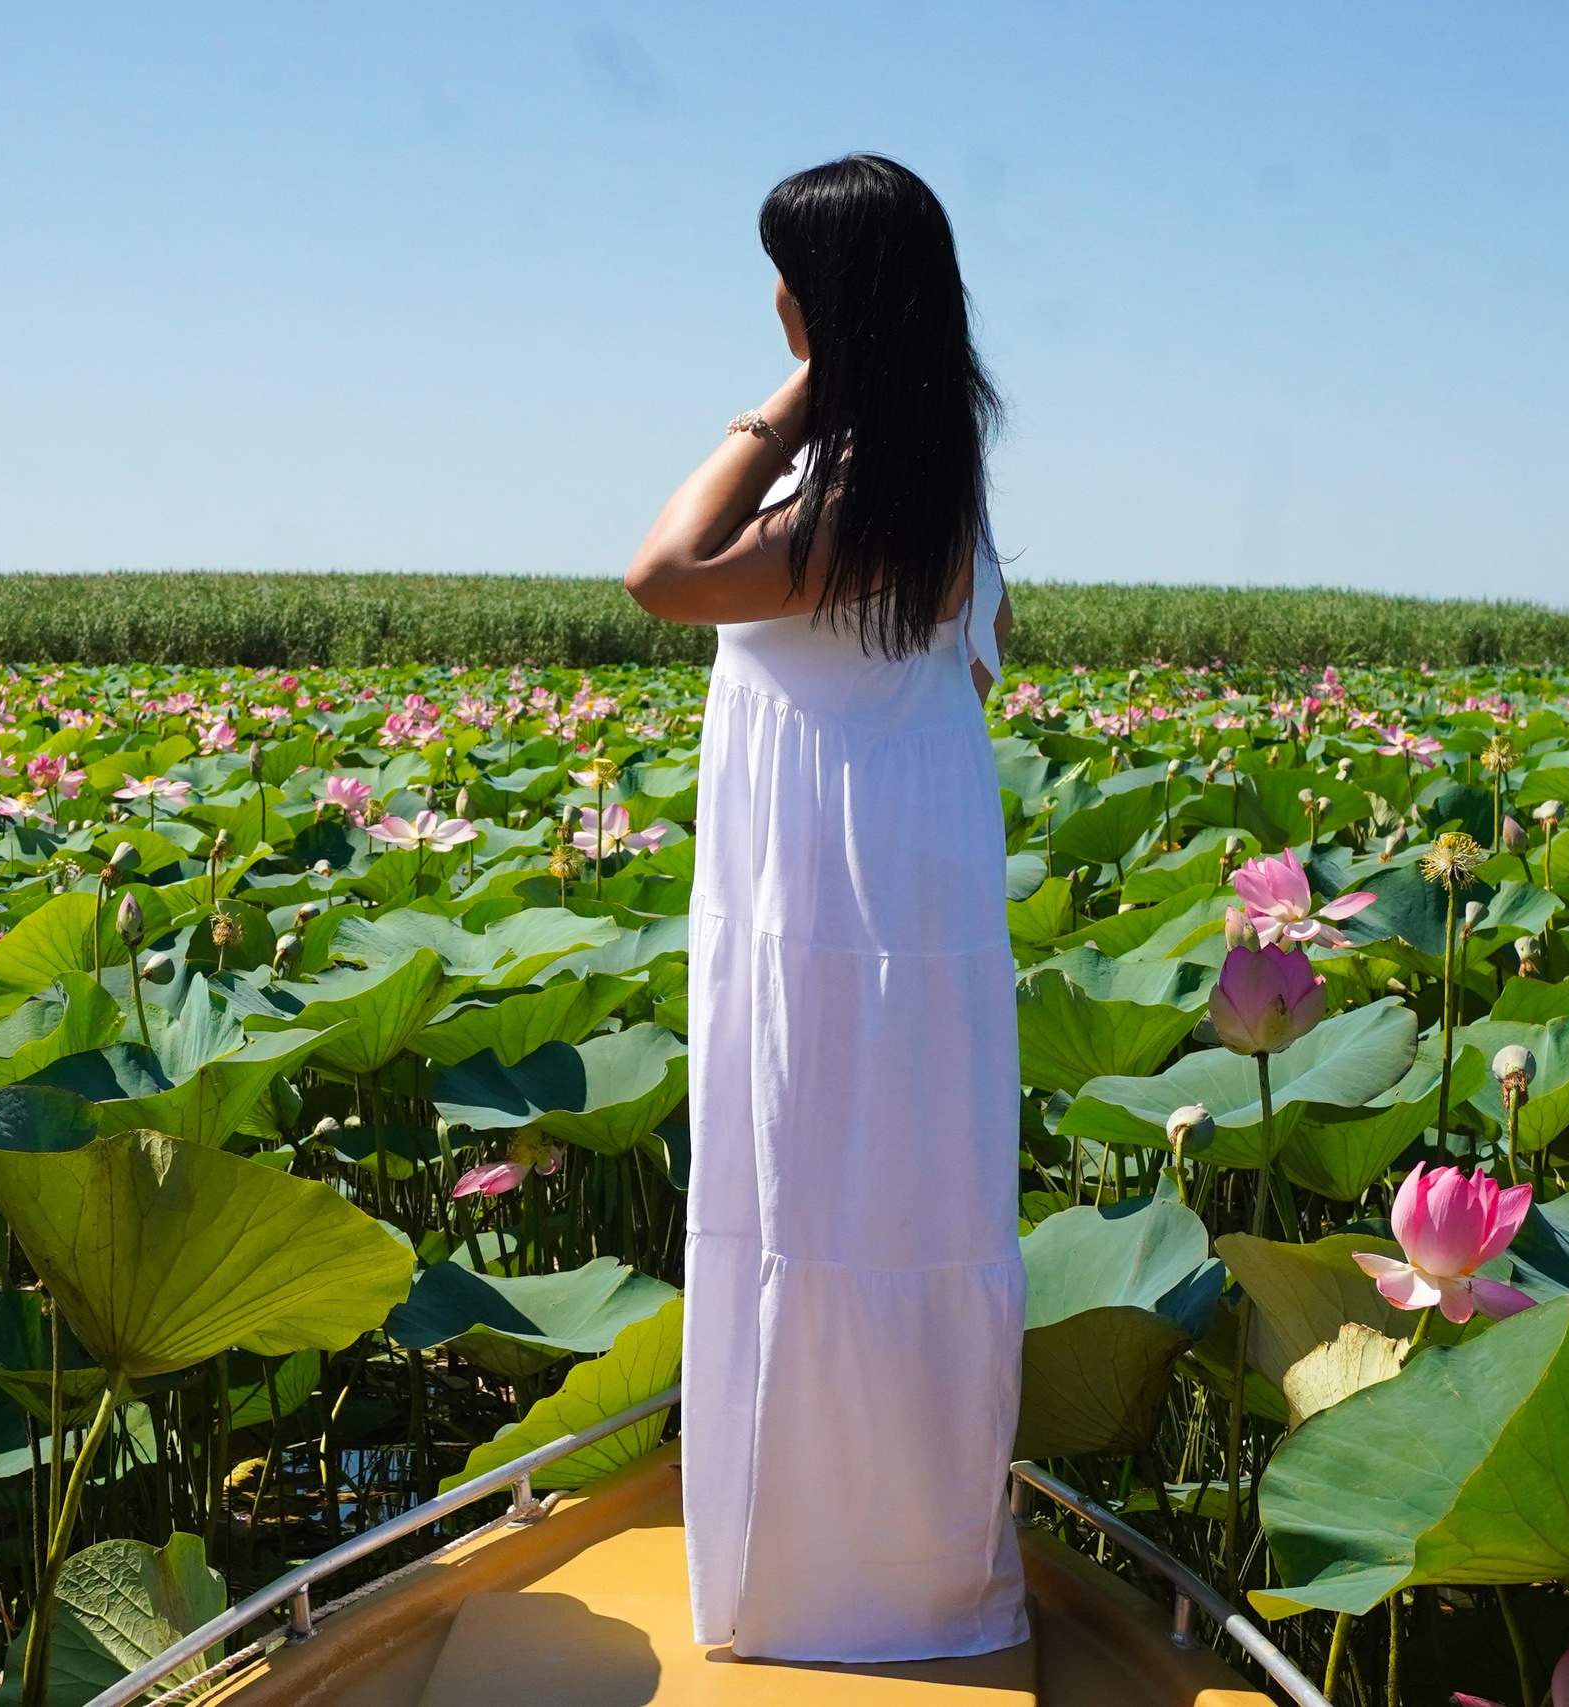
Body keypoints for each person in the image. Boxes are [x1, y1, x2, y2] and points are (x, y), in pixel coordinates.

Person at [624, 153, 1026, 1663]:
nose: (772, 301)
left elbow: (663, 574)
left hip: (834, 897)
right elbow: (971, 679)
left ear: (831, 307)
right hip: (884, 878)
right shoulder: (930, 487)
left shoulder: (863, 489)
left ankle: (843, 1590)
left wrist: (776, 406)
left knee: (824, 1195)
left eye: (789, 277)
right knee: (886, 1195)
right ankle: (883, 1558)